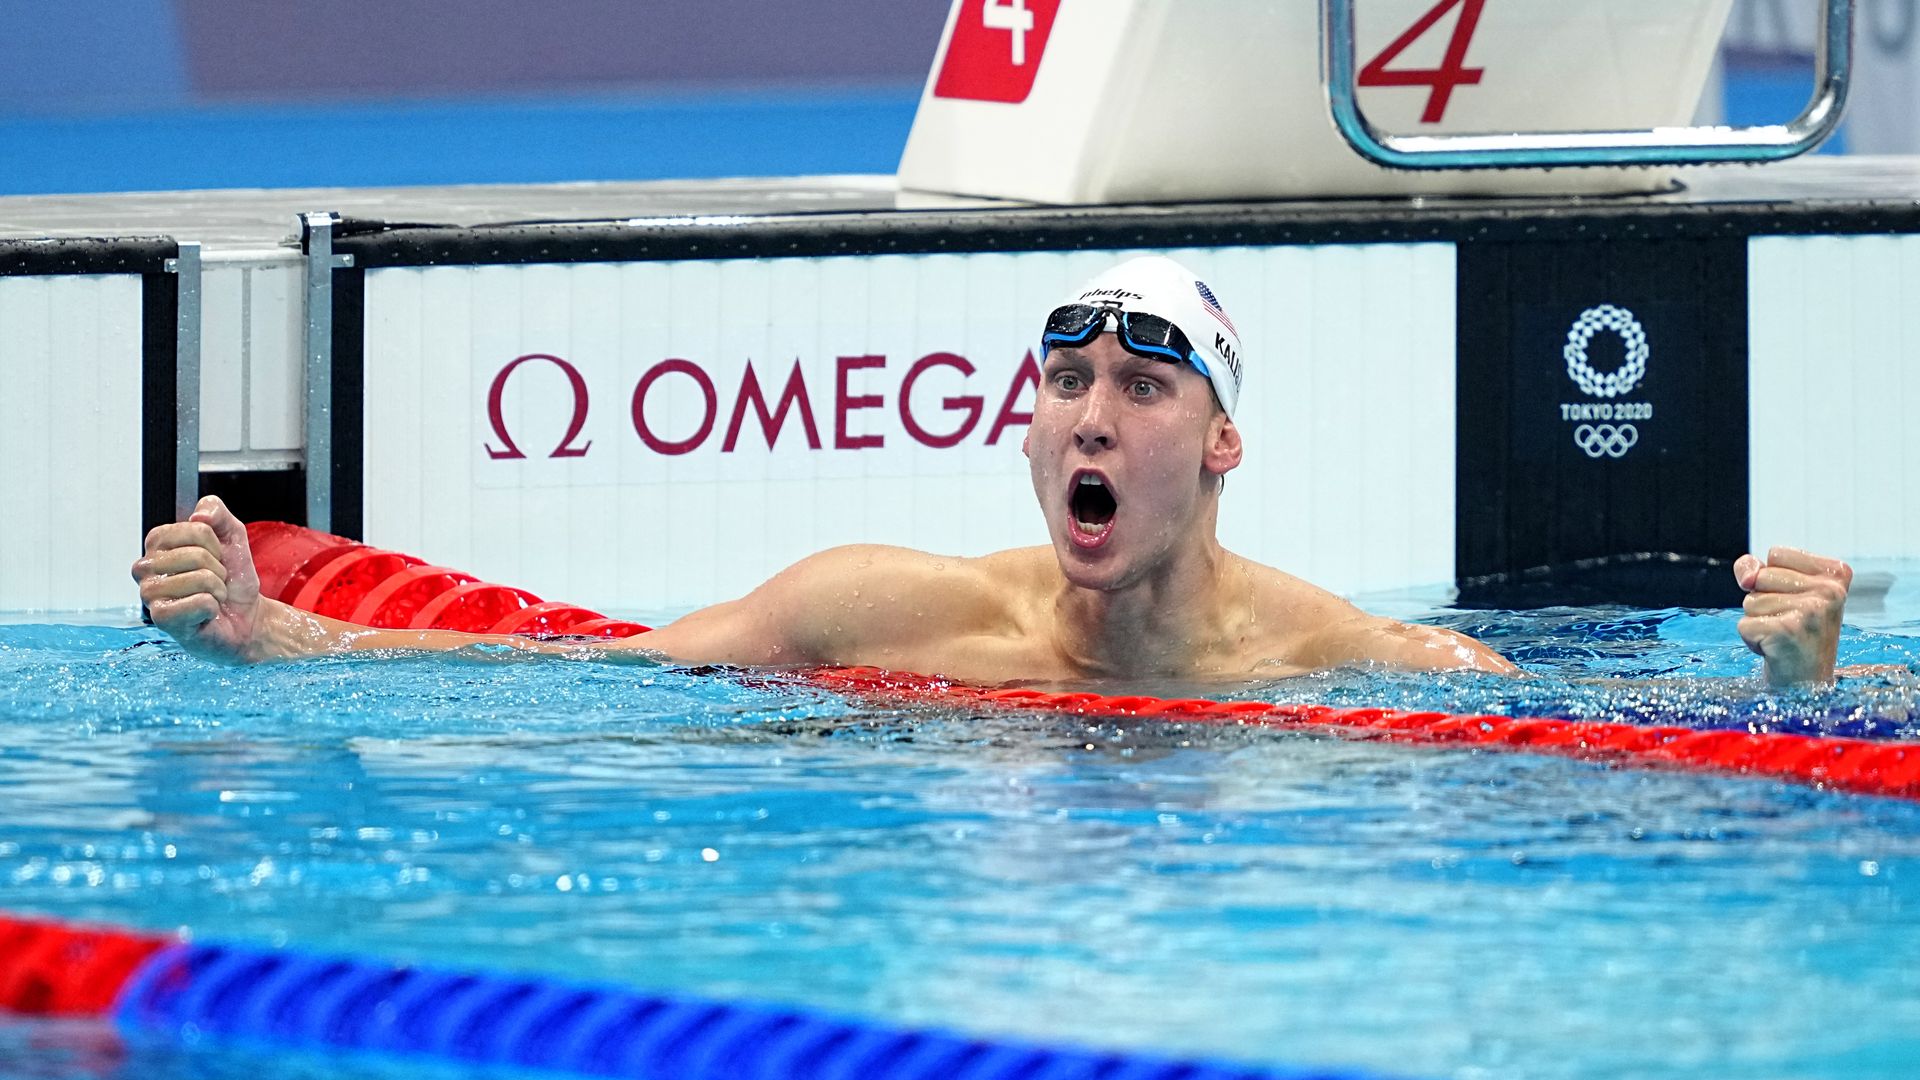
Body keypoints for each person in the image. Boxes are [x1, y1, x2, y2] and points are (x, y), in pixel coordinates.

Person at [132, 256, 1854, 688]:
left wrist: (1797, 689)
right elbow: (575, 687)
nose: (1090, 416)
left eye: (1141, 386)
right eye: (1064, 385)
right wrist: (278, 642)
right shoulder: (886, 609)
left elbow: (1624, 774)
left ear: (1224, 442)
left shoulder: (1365, 664)